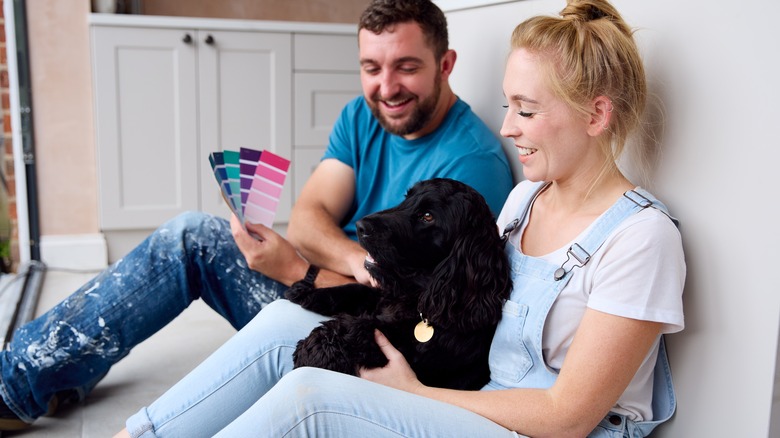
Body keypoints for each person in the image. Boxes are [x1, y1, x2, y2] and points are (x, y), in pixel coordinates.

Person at [112, 0, 686, 436]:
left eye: (527, 111)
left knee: (310, 396)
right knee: (283, 326)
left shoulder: (640, 239)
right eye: (507, 106)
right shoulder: (526, 203)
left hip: (534, 429)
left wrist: (413, 392)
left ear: (596, 115)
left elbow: (568, 416)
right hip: (480, 398)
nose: (508, 128)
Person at [0, 0, 514, 430]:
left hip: (366, 324)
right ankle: (39, 375)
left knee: (192, 240)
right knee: (195, 233)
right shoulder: (366, 114)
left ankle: (16, 385)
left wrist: (300, 270)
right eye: (371, 68)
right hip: (338, 286)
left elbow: (429, 308)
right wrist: (356, 262)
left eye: (406, 66)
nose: (387, 87)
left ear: (445, 65)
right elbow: (310, 215)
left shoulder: (471, 168)